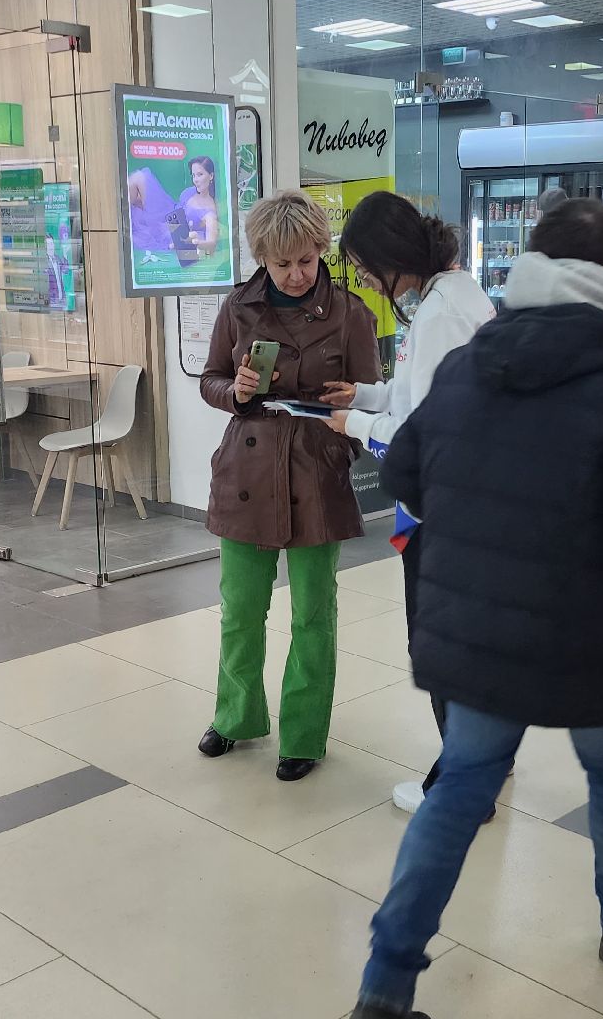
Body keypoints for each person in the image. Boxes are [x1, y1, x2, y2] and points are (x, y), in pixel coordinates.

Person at [349, 198, 603, 1019]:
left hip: (483, 629)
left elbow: (404, 473)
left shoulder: (473, 361)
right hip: (599, 634)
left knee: (461, 789)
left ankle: (384, 987)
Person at [317, 190, 494, 817]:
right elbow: (421, 389)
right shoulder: (454, 295)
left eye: (367, 271)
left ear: (392, 257)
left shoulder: (442, 312)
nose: (366, 283)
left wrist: (351, 426)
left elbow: (421, 430)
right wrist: (366, 395)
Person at [197, 191, 381, 782]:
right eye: (284, 264)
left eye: (307, 259)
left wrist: (340, 439)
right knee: (240, 610)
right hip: (247, 471)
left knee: (313, 614)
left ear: (320, 250)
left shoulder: (352, 313)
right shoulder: (237, 306)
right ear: (262, 259)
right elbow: (211, 380)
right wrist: (238, 392)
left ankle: (303, 736)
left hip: (314, 470)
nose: (298, 274)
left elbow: (370, 397)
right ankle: (236, 717)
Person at [181, 155, 221, 259]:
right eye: (193, 175)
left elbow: (212, 243)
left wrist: (197, 243)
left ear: (211, 176)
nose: (195, 180)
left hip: (187, 249)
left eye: (200, 174)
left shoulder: (210, 211)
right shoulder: (187, 193)